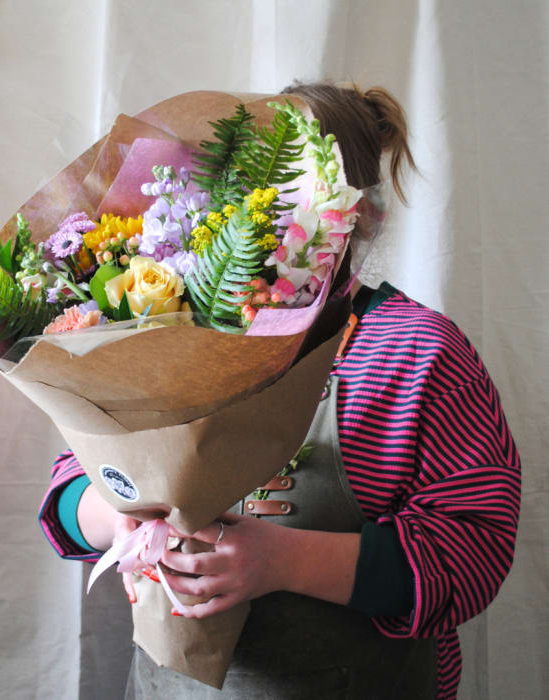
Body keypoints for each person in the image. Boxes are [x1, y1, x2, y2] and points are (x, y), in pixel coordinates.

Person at [39, 82, 521, 699]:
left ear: (363, 214)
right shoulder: (171, 324)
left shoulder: (416, 352)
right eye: (251, 191)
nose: (266, 216)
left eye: (297, 192)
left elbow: (473, 552)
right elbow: (66, 493)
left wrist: (279, 561)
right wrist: (118, 518)